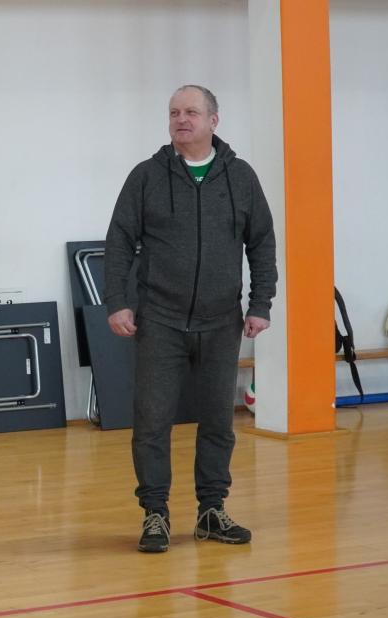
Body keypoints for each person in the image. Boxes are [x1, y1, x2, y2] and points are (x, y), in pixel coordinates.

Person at [103, 85, 277, 554]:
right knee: (152, 422)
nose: (181, 119)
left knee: (219, 421)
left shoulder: (240, 177)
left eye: (192, 112)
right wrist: (117, 301)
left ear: (213, 121)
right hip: (160, 320)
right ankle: (155, 513)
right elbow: (119, 242)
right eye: (174, 112)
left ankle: (211, 511)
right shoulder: (146, 177)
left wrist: (261, 303)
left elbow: (262, 242)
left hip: (221, 322)